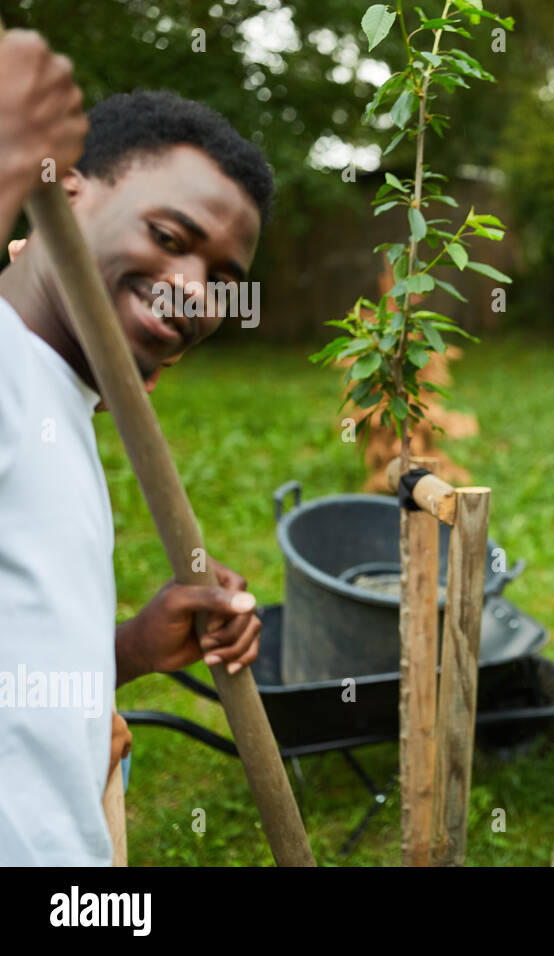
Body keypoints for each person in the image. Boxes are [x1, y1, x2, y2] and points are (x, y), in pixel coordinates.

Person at [0, 80, 274, 865]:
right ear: (69, 196)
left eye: (224, 278)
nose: (194, 289)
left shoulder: (56, 392)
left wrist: (126, 652)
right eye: (168, 235)